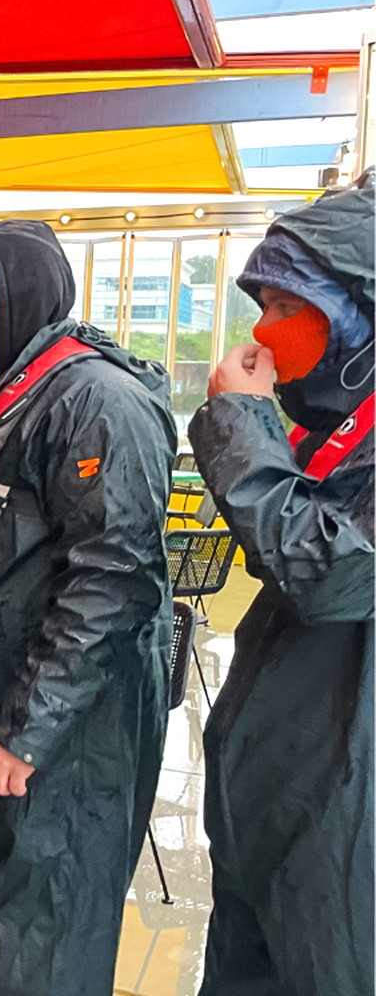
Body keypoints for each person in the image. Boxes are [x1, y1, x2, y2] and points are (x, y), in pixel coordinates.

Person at [0, 221, 175, 995]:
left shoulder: (95, 400)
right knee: (4, 934)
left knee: (46, 944)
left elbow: (113, 578)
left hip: (62, 741)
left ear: (27, 294)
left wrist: (25, 730)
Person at [188, 180, 373, 995]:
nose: (264, 330)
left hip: (343, 830)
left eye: (290, 307)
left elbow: (330, 573)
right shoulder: (333, 436)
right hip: (272, 812)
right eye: (261, 305)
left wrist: (242, 427)